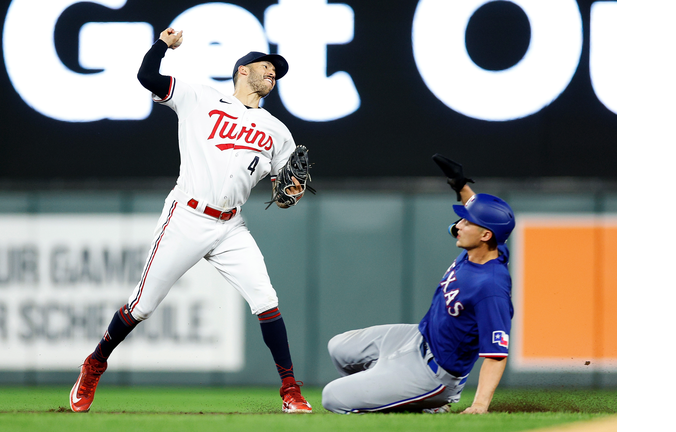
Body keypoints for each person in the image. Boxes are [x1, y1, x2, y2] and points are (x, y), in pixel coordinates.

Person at [69, 28, 313, 414]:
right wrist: (163, 44)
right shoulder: (199, 96)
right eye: (266, 67)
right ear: (242, 71)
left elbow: (285, 188)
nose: (273, 74)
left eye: (276, 71)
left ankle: (290, 391)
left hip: (231, 225)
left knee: (266, 300)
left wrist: (291, 192)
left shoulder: (278, 131)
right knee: (142, 306)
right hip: (187, 215)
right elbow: (148, 77)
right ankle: (95, 361)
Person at [321, 154, 515, 414]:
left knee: (332, 397)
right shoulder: (486, 247)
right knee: (338, 348)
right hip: (417, 336)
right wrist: (460, 185)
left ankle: (428, 402)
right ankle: (392, 388)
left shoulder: (490, 288)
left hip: (435, 373)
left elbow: (495, 354)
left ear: (485, 235)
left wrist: (480, 404)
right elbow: (477, 209)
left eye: (466, 222)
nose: (458, 225)